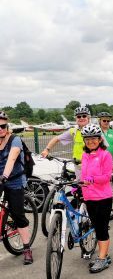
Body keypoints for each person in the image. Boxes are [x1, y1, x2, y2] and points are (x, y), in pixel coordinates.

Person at [0, 111, 34, 264]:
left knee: (18, 215)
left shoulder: (15, 140)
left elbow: (12, 158)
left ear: (7, 126)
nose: (0, 128)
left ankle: (26, 248)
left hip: (14, 180)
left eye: (3, 126)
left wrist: (4, 176)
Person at [80, 124, 113, 273]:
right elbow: (83, 176)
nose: (90, 141)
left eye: (93, 138)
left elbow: (107, 177)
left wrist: (91, 180)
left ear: (100, 139)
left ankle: (102, 259)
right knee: (97, 227)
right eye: (87, 139)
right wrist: (78, 187)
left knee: (101, 229)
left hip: (103, 198)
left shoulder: (105, 155)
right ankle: (104, 255)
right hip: (89, 197)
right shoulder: (85, 155)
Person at [41, 106, 91, 179]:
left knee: (92, 187)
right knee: (80, 186)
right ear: (76, 118)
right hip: (78, 165)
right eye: (78, 116)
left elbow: (104, 148)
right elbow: (56, 139)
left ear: (88, 118)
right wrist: (46, 150)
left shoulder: (95, 130)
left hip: (92, 165)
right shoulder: (74, 131)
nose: (81, 118)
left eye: (84, 116)